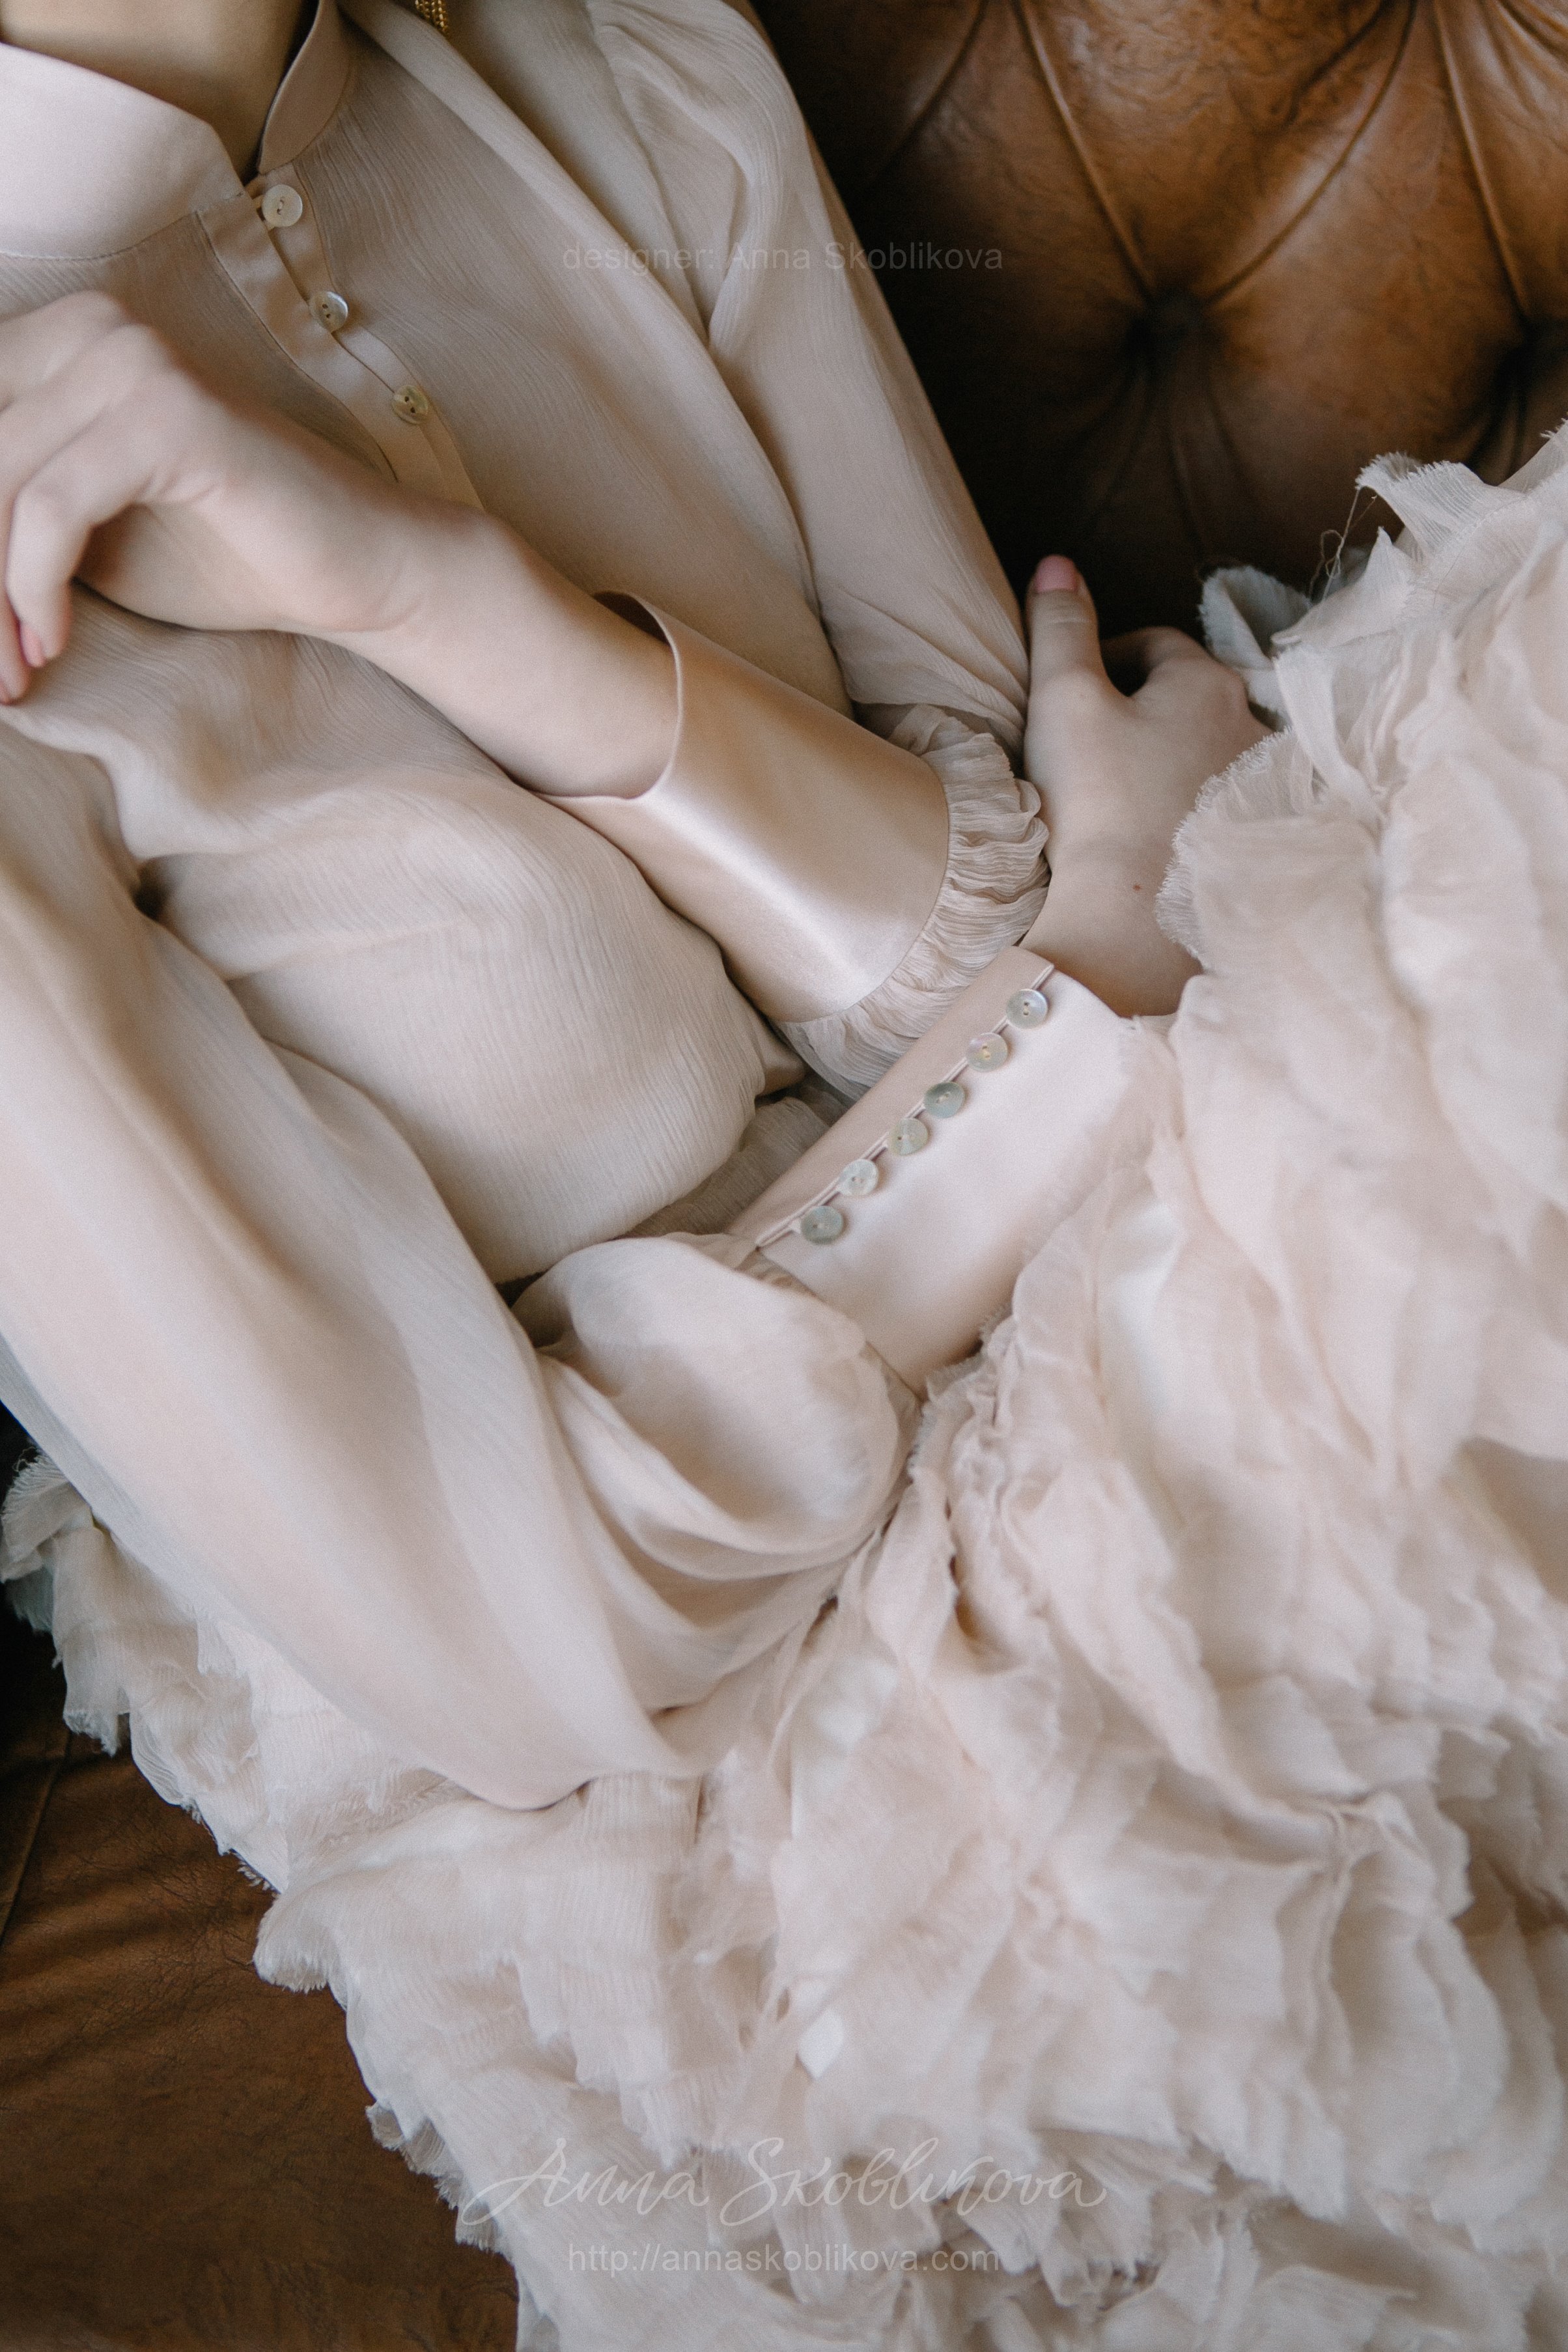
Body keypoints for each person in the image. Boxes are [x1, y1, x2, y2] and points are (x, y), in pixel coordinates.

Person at [0, 0, 1263, 1809]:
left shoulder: (636, 66)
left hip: (1226, 1202)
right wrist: (1115, 943)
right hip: (795, 1734)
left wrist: (442, 601)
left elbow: (987, 934)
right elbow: (517, 1653)